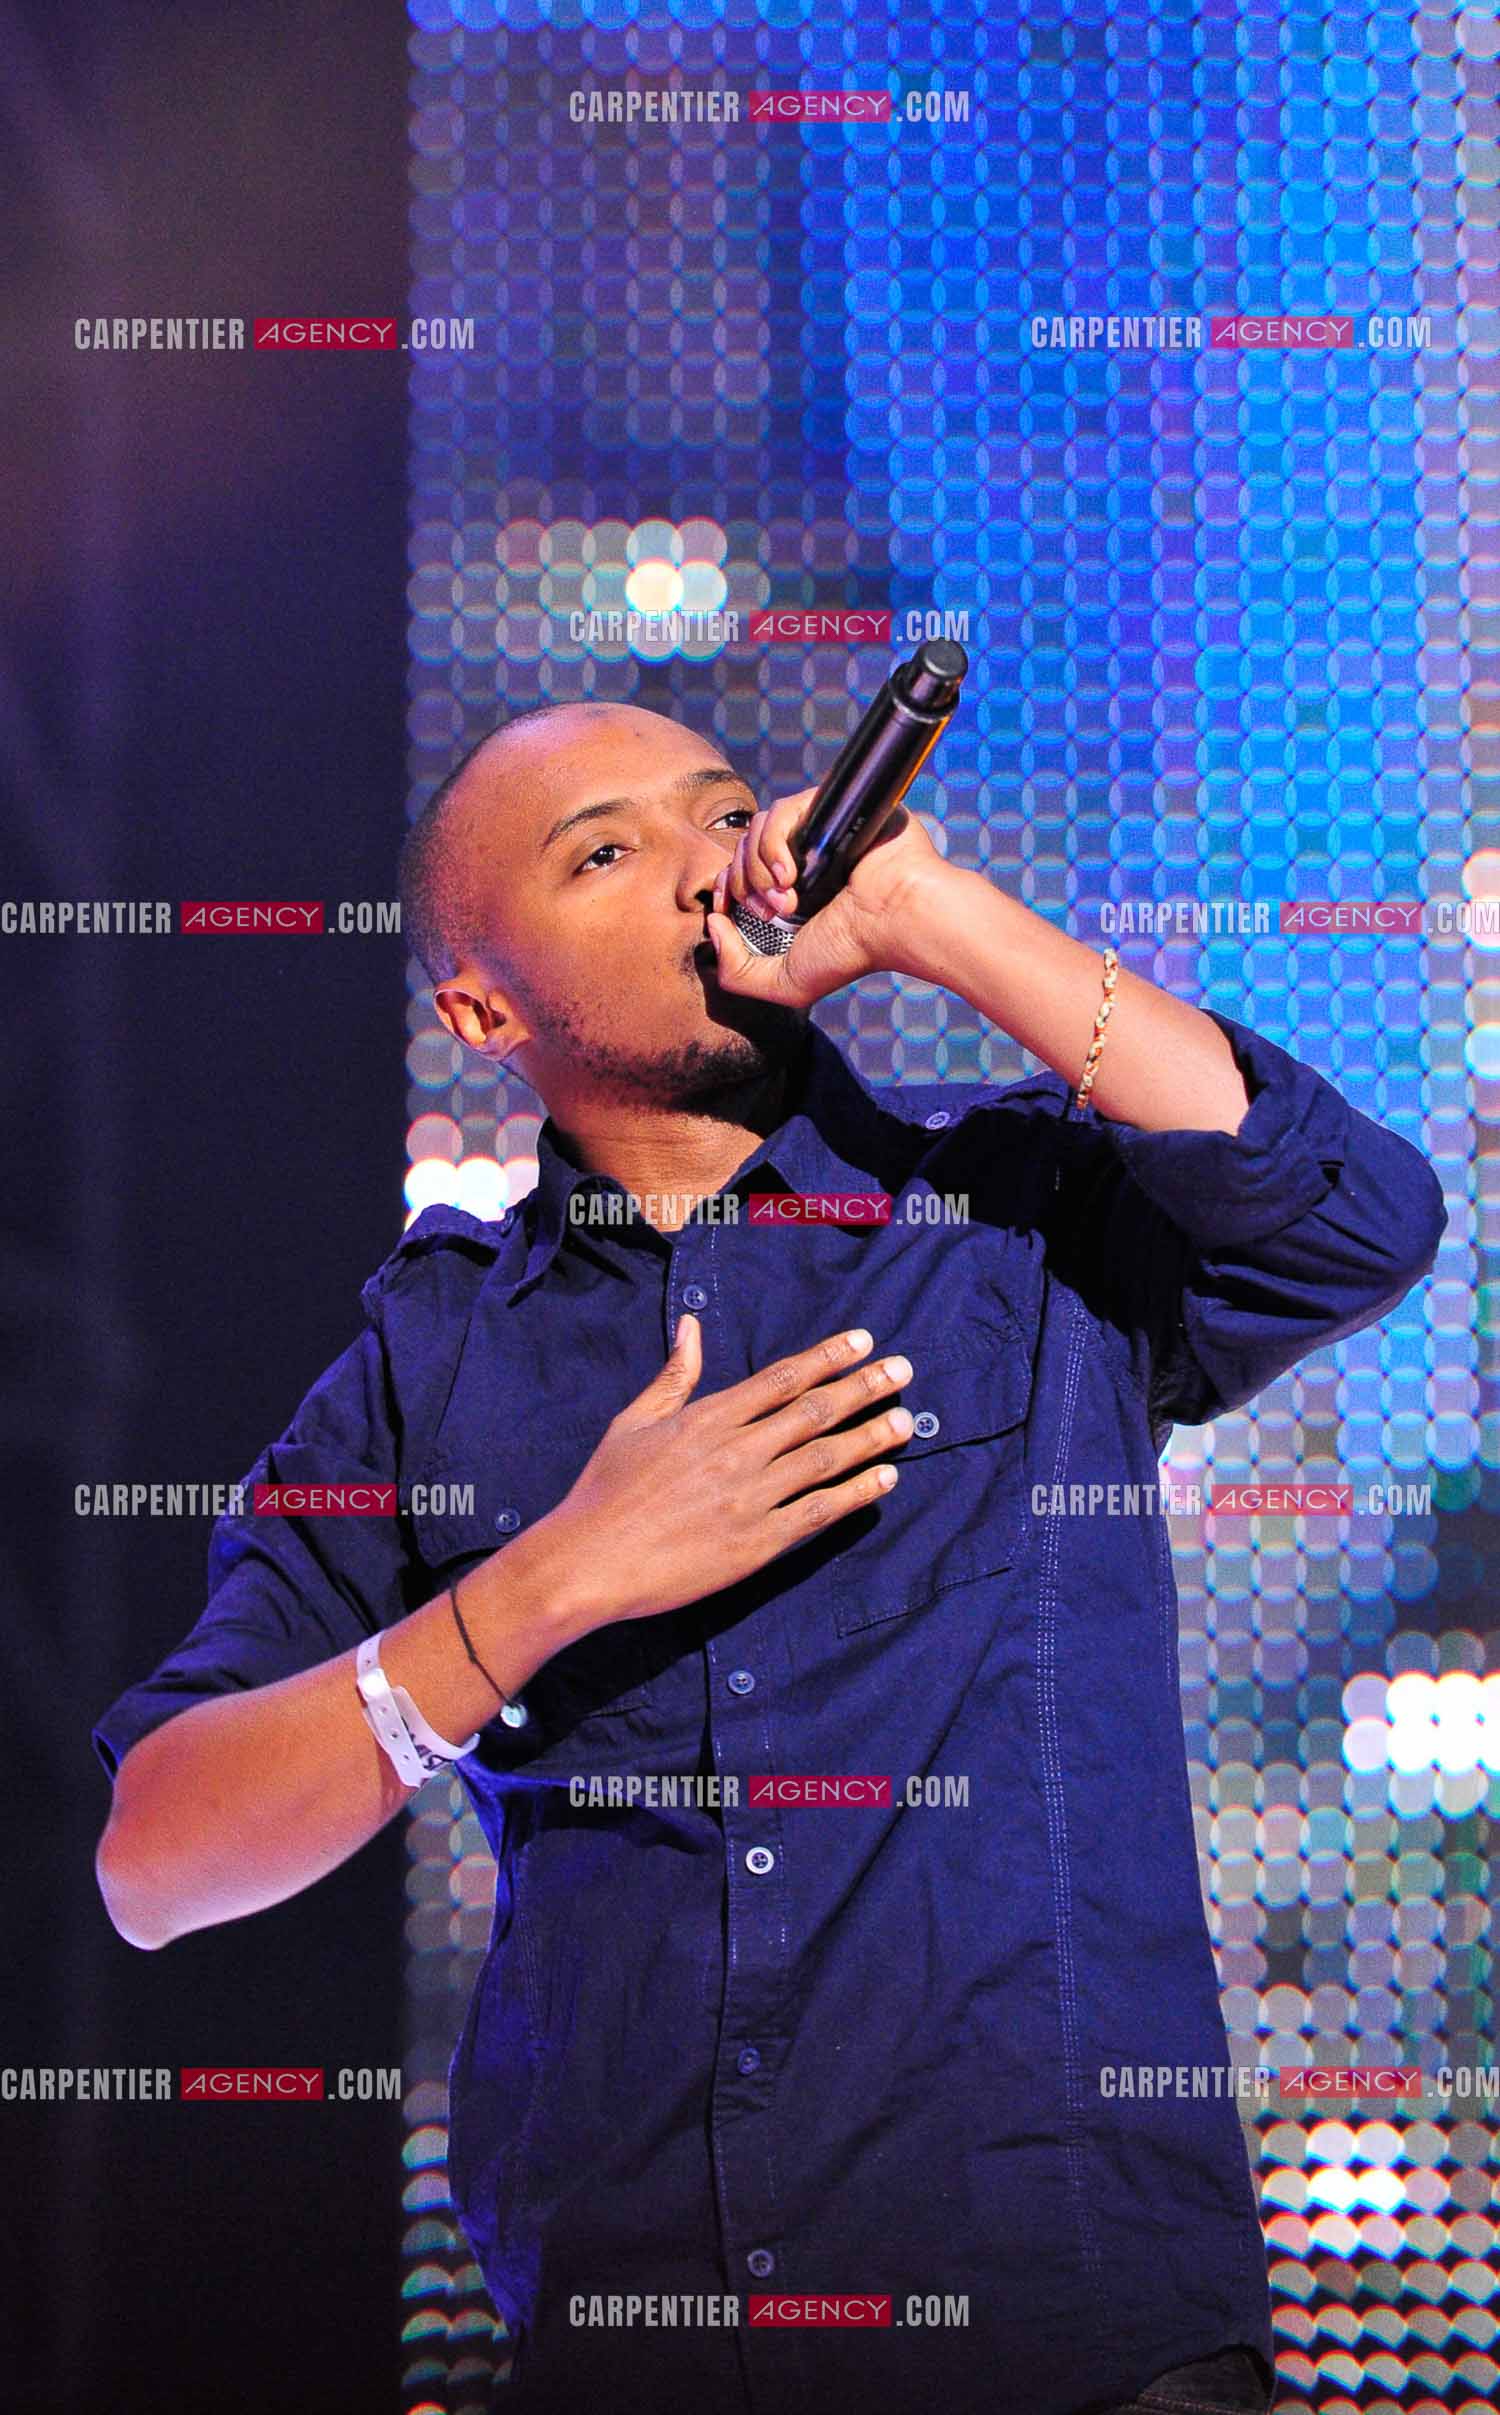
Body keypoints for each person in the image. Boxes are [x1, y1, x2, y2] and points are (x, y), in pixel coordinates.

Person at [93, 698, 1445, 2415]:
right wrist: (553, 1581)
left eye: (720, 810)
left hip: (1069, 2351)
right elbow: (158, 1862)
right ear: (481, 1009)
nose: (700, 867)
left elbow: (1356, 1224)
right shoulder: (426, 1363)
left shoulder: (1016, 1213)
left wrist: (930, 921)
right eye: (606, 851)